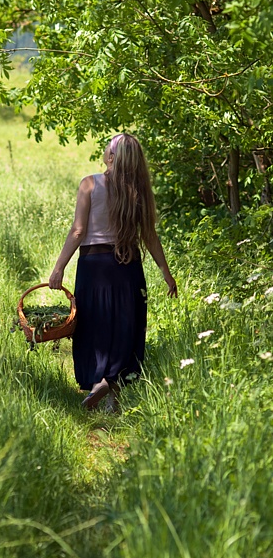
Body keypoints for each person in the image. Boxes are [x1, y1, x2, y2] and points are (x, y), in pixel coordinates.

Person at [49, 133, 177, 412]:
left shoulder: (90, 184)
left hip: (94, 267)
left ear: (110, 157)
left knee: (94, 326)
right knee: (124, 329)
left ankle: (100, 384)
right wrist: (166, 273)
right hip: (128, 268)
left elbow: (78, 231)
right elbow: (150, 236)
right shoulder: (139, 191)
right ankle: (113, 399)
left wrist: (59, 267)